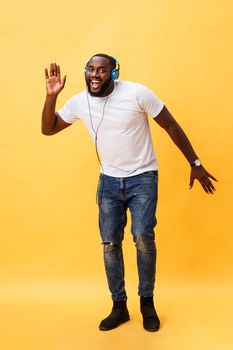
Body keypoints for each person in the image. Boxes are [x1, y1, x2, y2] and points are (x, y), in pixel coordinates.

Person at [41, 54, 217, 332]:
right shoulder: (79, 101)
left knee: (143, 237)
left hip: (143, 178)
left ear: (114, 73)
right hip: (109, 182)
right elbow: (48, 129)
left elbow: (170, 124)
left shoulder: (137, 93)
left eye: (102, 70)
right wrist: (51, 96)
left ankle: (147, 303)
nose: (94, 75)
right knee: (110, 244)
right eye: (90, 69)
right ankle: (119, 307)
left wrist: (195, 163)